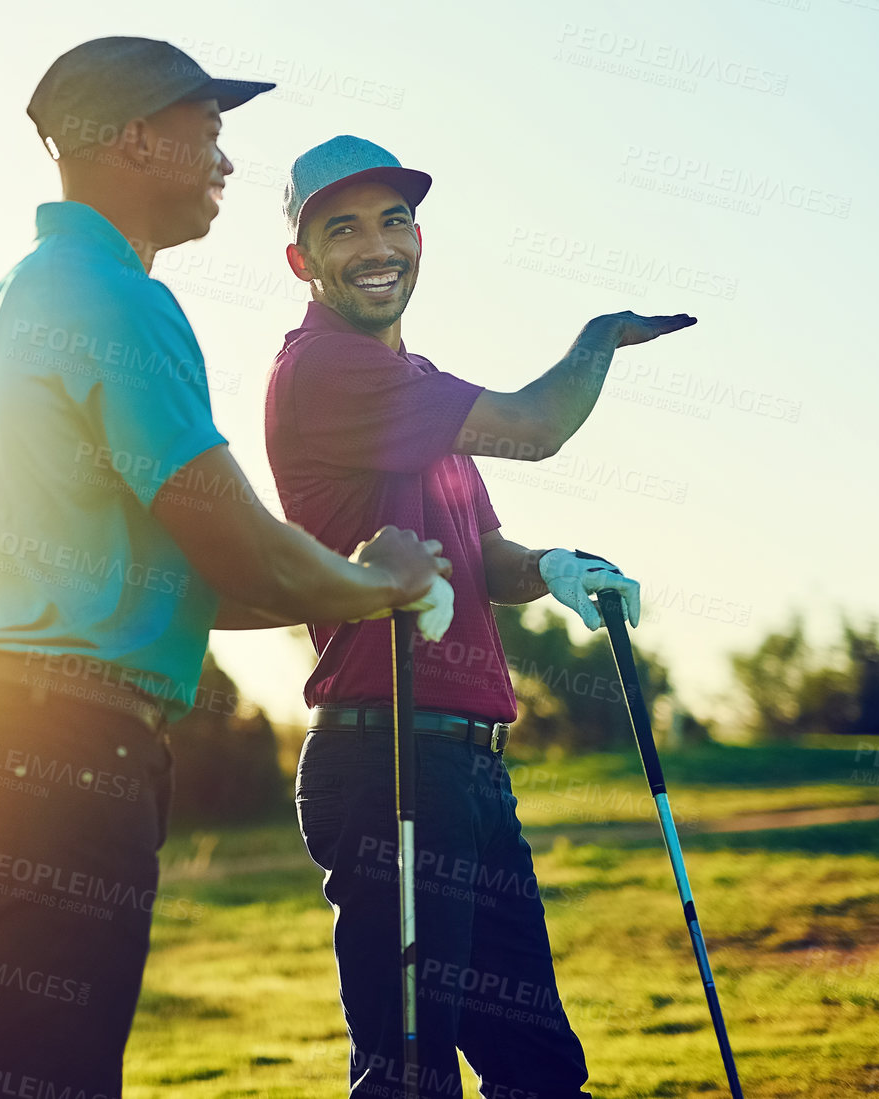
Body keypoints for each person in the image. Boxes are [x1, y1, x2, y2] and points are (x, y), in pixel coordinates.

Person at [0, 47, 453, 1098]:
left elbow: (197, 575)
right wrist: (378, 580)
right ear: (135, 139)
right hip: (59, 753)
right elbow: (241, 542)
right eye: (207, 131)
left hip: (1, 739)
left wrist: (338, 588)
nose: (225, 163)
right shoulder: (117, 299)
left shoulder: (35, 285)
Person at [263, 135, 697, 1098]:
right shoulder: (326, 371)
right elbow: (536, 428)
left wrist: (551, 565)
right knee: (410, 1076)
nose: (378, 244)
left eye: (394, 220)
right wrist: (597, 336)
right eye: (343, 229)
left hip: (464, 764)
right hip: (387, 761)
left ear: (420, 236)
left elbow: (481, 555)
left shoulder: (417, 395)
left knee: (538, 1069)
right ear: (302, 260)